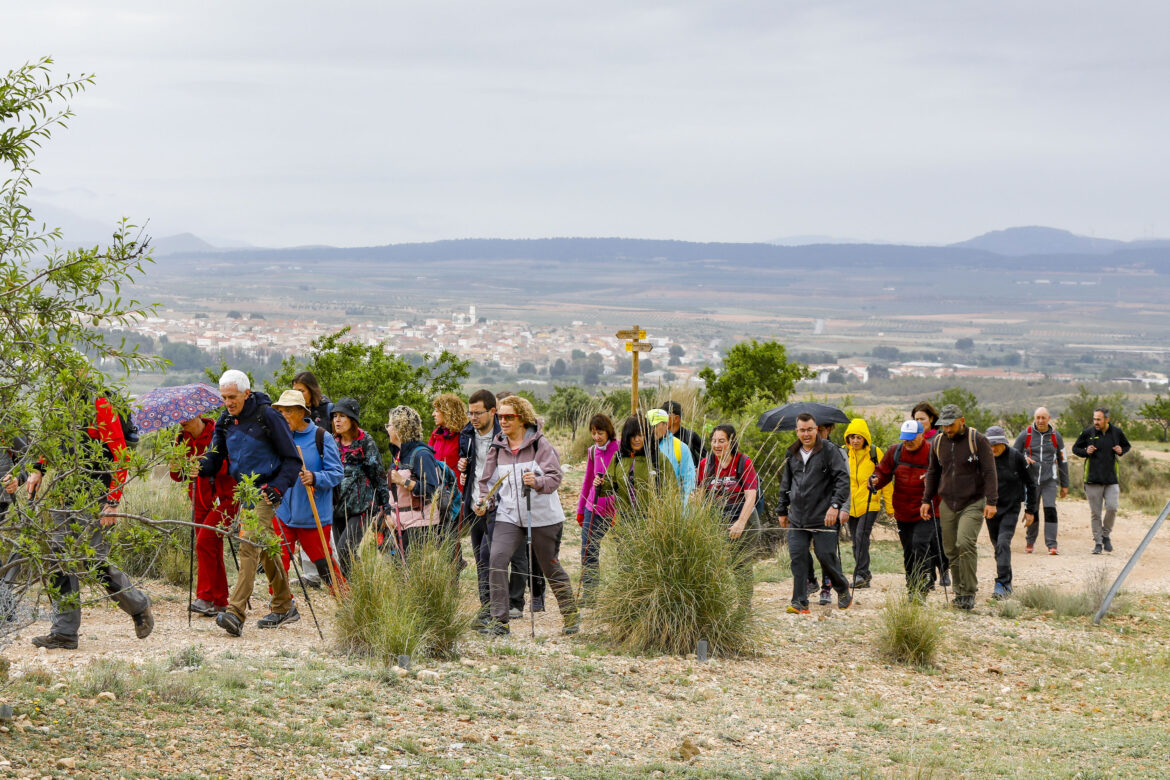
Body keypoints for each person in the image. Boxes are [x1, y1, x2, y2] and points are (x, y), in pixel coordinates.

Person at [27, 386, 154, 649]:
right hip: (65, 492)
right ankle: (64, 632)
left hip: (96, 493)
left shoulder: (100, 405)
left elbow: (120, 454)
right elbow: (53, 439)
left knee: (93, 560)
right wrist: (38, 469)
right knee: (58, 556)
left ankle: (138, 605)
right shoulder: (60, 399)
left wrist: (112, 501)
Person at [200, 369, 300, 638]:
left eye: (232, 397)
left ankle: (235, 612)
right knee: (266, 547)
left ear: (246, 393)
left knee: (248, 544)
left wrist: (278, 488)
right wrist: (196, 466)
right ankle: (284, 604)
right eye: (223, 397)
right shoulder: (225, 420)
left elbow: (292, 460)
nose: (228, 402)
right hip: (243, 492)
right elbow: (214, 458)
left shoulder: (267, 416)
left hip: (266, 490)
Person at [474, 395, 578, 636]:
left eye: (509, 417)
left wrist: (538, 481)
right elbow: (488, 483)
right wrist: (484, 501)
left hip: (542, 516)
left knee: (549, 566)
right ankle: (499, 621)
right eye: (500, 417)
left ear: (523, 419)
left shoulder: (540, 445)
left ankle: (570, 614)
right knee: (497, 560)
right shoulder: (498, 447)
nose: (503, 421)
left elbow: (555, 477)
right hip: (508, 515)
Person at [459, 390, 527, 625]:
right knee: (480, 557)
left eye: (478, 413)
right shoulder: (467, 435)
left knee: (494, 557)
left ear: (492, 412)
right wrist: (462, 465)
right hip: (474, 504)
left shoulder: (504, 437)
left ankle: (503, 607)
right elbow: (472, 469)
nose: (473, 417)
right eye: (470, 413)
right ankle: (487, 606)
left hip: (499, 507)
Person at [921, 404, 997, 611]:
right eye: (943, 426)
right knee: (950, 549)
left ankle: (970, 591)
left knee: (965, 543)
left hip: (973, 501)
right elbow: (933, 472)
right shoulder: (938, 442)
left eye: (951, 425)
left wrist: (992, 501)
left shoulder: (977, 440)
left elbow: (990, 472)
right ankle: (959, 591)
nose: (947, 429)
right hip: (948, 502)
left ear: (961, 420)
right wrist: (926, 500)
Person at [270, 389, 345, 598]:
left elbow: (337, 473)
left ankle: (346, 601)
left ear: (301, 412)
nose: (283, 416)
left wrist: (315, 477)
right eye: (280, 412)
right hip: (284, 512)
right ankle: (280, 605)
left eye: (288, 411)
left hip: (313, 517)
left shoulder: (322, 437)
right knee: (277, 561)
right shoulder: (281, 437)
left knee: (324, 565)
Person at [777, 413, 852, 614]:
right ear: (797, 431)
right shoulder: (792, 453)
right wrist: (782, 510)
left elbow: (843, 481)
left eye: (810, 429)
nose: (806, 433)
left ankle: (842, 588)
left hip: (824, 516)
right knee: (798, 557)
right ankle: (800, 602)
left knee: (826, 556)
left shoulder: (829, 451)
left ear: (816, 429)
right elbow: (786, 484)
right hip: (798, 518)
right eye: (802, 430)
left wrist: (835, 506)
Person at [170, 415, 238, 617]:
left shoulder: (219, 434)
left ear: (198, 414)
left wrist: (204, 467)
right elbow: (178, 476)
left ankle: (205, 597)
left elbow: (232, 465)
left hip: (226, 499)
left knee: (205, 543)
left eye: (186, 416)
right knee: (211, 547)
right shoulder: (182, 439)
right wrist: (176, 463)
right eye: (178, 418)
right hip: (199, 503)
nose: (182, 421)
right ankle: (220, 601)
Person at [870, 421, 934, 599]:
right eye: (905, 439)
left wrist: (932, 479)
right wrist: (875, 480)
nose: (908, 443)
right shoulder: (895, 451)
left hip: (926, 509)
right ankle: (911, 587)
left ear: (922, 435)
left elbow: (944, 475)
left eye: (912, 439)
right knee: (908, 550)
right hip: (902, 509)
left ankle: (923, 586)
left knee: (919, 545)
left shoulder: (932, 452)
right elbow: (883, 472)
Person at [695, 424, 759, 603]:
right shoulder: (706, 464)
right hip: (718, 518)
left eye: (721, 441)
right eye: (714, 441)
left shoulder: (743, 462)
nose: (717, 445)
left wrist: (740, 522)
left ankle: (743, 609)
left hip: (744, 517)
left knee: (740, 564)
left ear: (731, 442)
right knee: (716, 562)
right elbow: (700, 494)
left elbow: (751, 495)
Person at [330, 398, 389, 577]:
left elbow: (378, 474)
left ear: (353, 420)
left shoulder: (365, 442)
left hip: (362, 507)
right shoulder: (332, 443)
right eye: (335, 416)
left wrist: (385, 506)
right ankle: (356, 588)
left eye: (342, 416)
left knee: (345, 549)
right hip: (337, 506)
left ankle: (356, 588)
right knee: (343, 554)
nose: (337, 420)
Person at [384, 405, 446, 555]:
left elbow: (432, 489)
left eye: (389, 425)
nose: (387, 429)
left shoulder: (422, 454)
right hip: (401, 524)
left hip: (420, 525)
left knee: (408, 569)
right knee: (400, 569)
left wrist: (403, 481)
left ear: (400, 428)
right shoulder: (398, 455)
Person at [985, 426, 1037, 599]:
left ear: (1004, 442)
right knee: (997, 547)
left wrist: (1030, 511)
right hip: (991, 510)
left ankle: (1001, 583)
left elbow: (1031, 484)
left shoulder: (1016, 457)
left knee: (1002, 543)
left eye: (997, 444)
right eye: (990, 445)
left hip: (1011, 508)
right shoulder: (984, 458)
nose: (993, 448)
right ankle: (1006, 581)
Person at [842, 418, 893, 589]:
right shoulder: (844, 454)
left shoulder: (874, 453)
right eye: (852, 437)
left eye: (859, 437)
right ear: (847, 438)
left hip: (870, 503)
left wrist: (890, 506)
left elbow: (885, 479)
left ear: (865, 438)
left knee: (861, 537)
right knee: (856, 541)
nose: (855, 441)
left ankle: (861, 574)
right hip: (850, 506)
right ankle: (865, 575)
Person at [1072, 408, 1131, 555]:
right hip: (1092, 480)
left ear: (1107, 420)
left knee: (1112, 507)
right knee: (1096, 513)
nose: (1096, 422)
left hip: (1111, 479)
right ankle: (1098, 543)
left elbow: (1127, 445)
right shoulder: (1088, 432)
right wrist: (1086, 451)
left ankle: (1105, 535)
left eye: (1099, 419)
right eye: (1094, 419)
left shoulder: (1116, 432)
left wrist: (1120, 450)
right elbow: (1075, 448)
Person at [1013, 407, 1069, 555]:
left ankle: (1052, 545)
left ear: (1049, 418)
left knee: (1050, 509)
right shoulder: (1026, 434)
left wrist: (1065, 484)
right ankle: (1030, 542)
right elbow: (1013, 455)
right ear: (1034, 418)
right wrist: (1024, 460)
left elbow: (1063, 460)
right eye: (1038, 417)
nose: (1040, 421)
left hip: (1049, 480)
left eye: (1043, 418)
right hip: (1031, 480)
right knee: (1033, 510)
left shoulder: (1056, 436)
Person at [576, 413, 619, 603]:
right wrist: (580, 509)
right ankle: (589, 595)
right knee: (588, 550)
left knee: (623, 551)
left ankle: (622, 594)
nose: (596, 437)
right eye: (593, 433)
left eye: (600, 432)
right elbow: (587, 480)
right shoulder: (592, 451)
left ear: (608, 431)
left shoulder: (620, 449)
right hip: (592, 508)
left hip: (616, 509)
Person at [912, 401, 949, 588]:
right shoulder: (912, 439)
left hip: (939, 493)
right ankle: (930, 576)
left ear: (932, 419)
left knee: (938, 535)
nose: (919, 422)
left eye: (922, 419)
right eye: (916, 419)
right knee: (925, 538)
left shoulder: (940, 439)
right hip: (919, 494)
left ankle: (944, 569)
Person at [645, 408, 696, 500]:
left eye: (654, 425)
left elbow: (689, 481)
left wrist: (683, 510)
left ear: (666, 424)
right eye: (648, 425)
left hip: (671, 506)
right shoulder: (640, 446)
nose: (650, 429)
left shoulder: (680, 447)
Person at [429, 393, 467, 483]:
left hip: (456, 491)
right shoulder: (436, 434)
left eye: (437, 411)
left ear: (447, 413)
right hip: (437, 489)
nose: (433, 414)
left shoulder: (463, 435)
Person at [660, 400, 704, 466]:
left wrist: (699, 470)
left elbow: (707, 458)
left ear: (676, 419)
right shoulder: (659, 437)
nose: (660, 418)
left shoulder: (690, 436)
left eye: (664, 415)